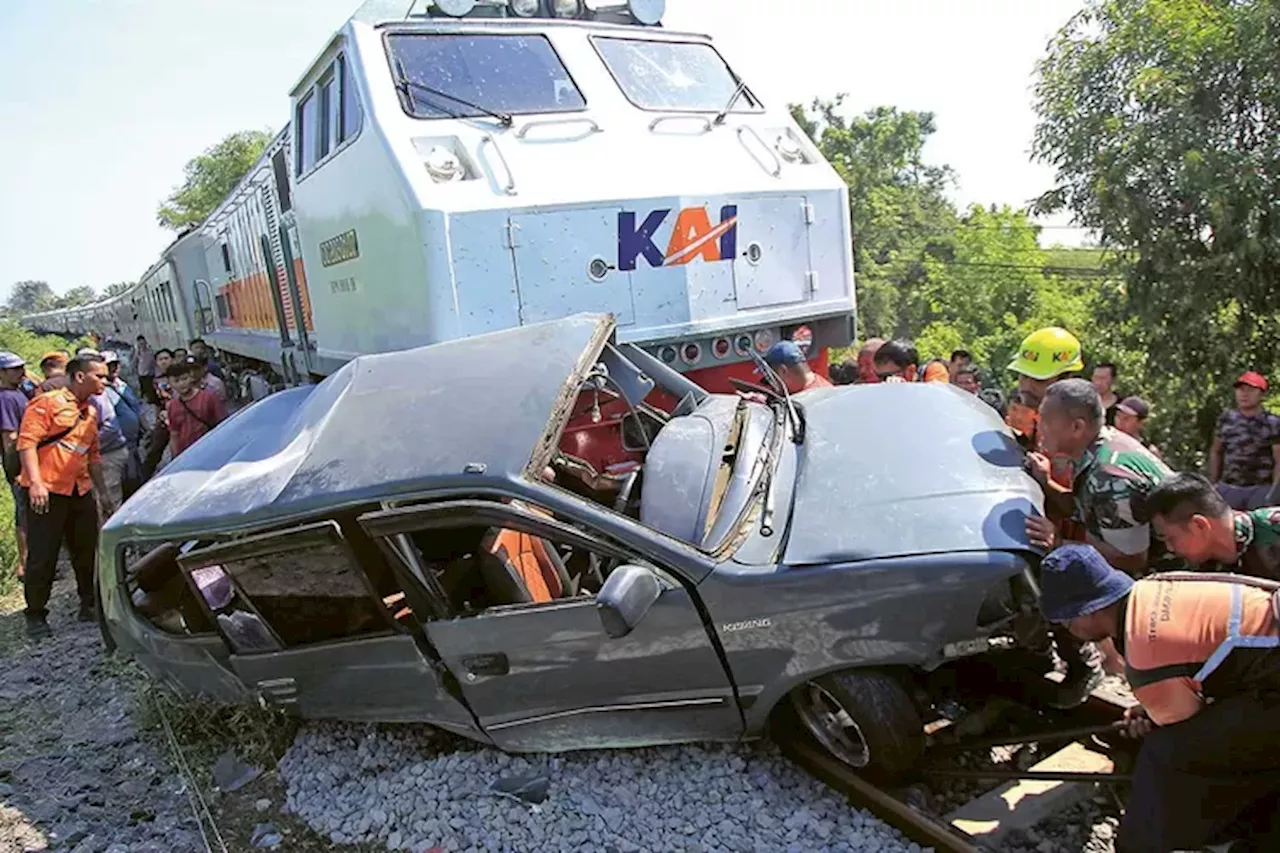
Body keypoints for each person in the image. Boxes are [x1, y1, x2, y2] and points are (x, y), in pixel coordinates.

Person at [1039, 544, 1280, 853]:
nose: (1069, 630)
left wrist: (1155, 715)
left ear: (1089, 611)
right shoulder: (1155, 586)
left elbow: (1184, 726)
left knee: (1165, 754)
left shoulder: (1145, 657)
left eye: (1067, 621)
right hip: (1267, 660)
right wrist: (1154, 707)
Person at [1026, 379, 1173, 575]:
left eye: (1045, 419)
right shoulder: (1099, 445)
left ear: (1077, 427)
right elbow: (1091, 509)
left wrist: (1059, 543)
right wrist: (1047, 483)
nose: (1039, 425)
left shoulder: (1110, 475)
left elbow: (1131, 560)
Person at [18, 354, 110, 638]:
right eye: (100, 376)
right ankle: (35, 616)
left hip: (79, 490)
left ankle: (89, 603)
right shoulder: (46, 404)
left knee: (87, 550)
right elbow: (27, 443)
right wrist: (35, 483)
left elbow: (92, 456)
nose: (105, 382)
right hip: (47, 491)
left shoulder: (91, 411)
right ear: (80, 376)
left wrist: (102, 493)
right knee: (43, 554)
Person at [1145, 472, 1280, 582]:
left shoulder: (1274, 529)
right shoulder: (1201, 568)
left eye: (1170, 538)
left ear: (1198, 526)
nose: (1169, 548)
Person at [1208, 371, 1280, 511]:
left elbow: (1279, 460)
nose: (1244, 394)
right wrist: (1213, 484)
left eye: (1251, 390)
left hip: (1260, 490)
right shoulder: (1226, 419)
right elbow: (1216, 451)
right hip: (1229, 489)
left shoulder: (1273, 423)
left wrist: (1273, 492)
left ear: (1261, 394)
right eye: (1240, 389)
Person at [1004, 326, 1085, 450]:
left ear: (1065, 380)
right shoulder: (1021, 417)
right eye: (1024, 376)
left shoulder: (1078, 433)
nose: (1027, 386)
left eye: (1039, 379)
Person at [0, 352, 30, 581]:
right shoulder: (6, 398)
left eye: (21, 367)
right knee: (24, 514)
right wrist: (18, 470)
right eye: (15, 369)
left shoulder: (16, 392)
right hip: (20, 466)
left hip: (24, 464)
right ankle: (25, 564)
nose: (21, 372)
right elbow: (10, 438)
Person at [102, 352, 145, 499]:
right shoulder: (101, 391)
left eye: (115, 365)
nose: (113, 368)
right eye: (109, 366)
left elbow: (136, 407)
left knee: (136, 477)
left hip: (134, 442)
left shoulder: (123, 385)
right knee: (125, 481)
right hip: (118, 445)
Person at [166, 357, 227, 458]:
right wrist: (175, 458)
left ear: (190, 377)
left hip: (209, 450)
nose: (181, 384)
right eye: (176, 381)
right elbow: (174, 434)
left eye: (184, 379)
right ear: (170, 383)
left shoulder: (208, 397)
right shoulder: (172, 406)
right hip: (186, 454)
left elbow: (222, 424)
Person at [757, 340, 832, 394]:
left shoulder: (806, 402)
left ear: (783, 371)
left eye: (773, 378)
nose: (772, 387)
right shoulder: (826, 388)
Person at [1090, 362, 1121, 426]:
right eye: (1096, 377)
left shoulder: (1121, 406)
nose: (1098, 382)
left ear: (1113, 380)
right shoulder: (1085, 403)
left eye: (1103, 378)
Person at [133, 335, 156, 404]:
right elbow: (134, 362)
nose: (142, 345)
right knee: (144, 389)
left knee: (151, 389)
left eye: (143, 343)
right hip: (141, 374)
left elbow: (154, 361)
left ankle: (152, 401)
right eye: (140, 344)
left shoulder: (150, 352)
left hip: (150, 374)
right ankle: (147, 400)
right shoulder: (138, 353)